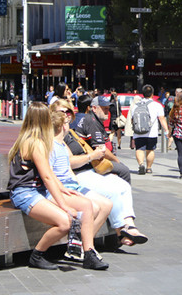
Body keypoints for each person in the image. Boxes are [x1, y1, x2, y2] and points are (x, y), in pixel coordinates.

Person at [7, 102, 109, 270]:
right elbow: (47, 176)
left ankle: (89, 252)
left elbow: (49, 176)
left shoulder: (35, 140)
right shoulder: (35, 143)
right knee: (65, 221)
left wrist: (62, 189)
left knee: (86, 204)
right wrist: (63, 205)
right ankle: (37, 255)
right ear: (42, 120)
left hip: (39, 190)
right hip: (25, 192)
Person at [57, 102, 150, 248]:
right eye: (62, 112)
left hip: (88, 171)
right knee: (112, 191)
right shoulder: (55, 136)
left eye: (69, 112)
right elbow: (69, 163)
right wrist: (91, 156)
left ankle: (129, 226)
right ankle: (121, 232)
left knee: (123, 185)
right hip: (77, 175)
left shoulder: (70, 132)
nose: (67, 115)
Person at [49, 110, 113, 260]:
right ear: (62, 126)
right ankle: (85, 248)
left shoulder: (63, 144)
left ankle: (83, 247)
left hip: (73, 184)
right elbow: (50, 174)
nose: (69, 125)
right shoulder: (51, 145)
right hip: (63, 187)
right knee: (94, 207)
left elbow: (68, 167)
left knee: (107, 204)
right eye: (67, 122)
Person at [74, 96, 131, 184]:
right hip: (92, 162)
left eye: (108, 109)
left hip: (95, 159)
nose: (107, 111)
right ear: (94, 108)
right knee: (124, 171)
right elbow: (101, 149)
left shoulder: (94, 119)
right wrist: (117, 161)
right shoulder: (92, 122)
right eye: (104, 108)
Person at [133, 84, 170, 175]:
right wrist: (166, 130)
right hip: (151, 132)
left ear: (143, 94)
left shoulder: (135, 105)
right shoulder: (157, 105)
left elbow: (132, 119)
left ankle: (141, 164)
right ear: (152, 94)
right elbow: (162, 119)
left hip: (138, 132)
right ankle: (149, 168)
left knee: (139, 149)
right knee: (150, 150)